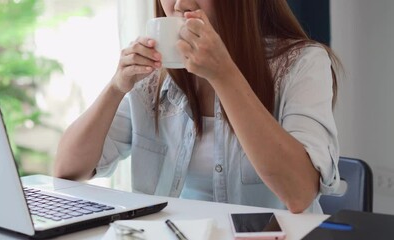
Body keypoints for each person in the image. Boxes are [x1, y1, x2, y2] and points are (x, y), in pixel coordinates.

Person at [54, 0, 341, 214]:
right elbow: (68, 170)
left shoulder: (302, 64)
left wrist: (224, 75)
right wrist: (116, 87)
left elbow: (300, 193)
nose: (180, 5)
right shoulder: (152, 76)